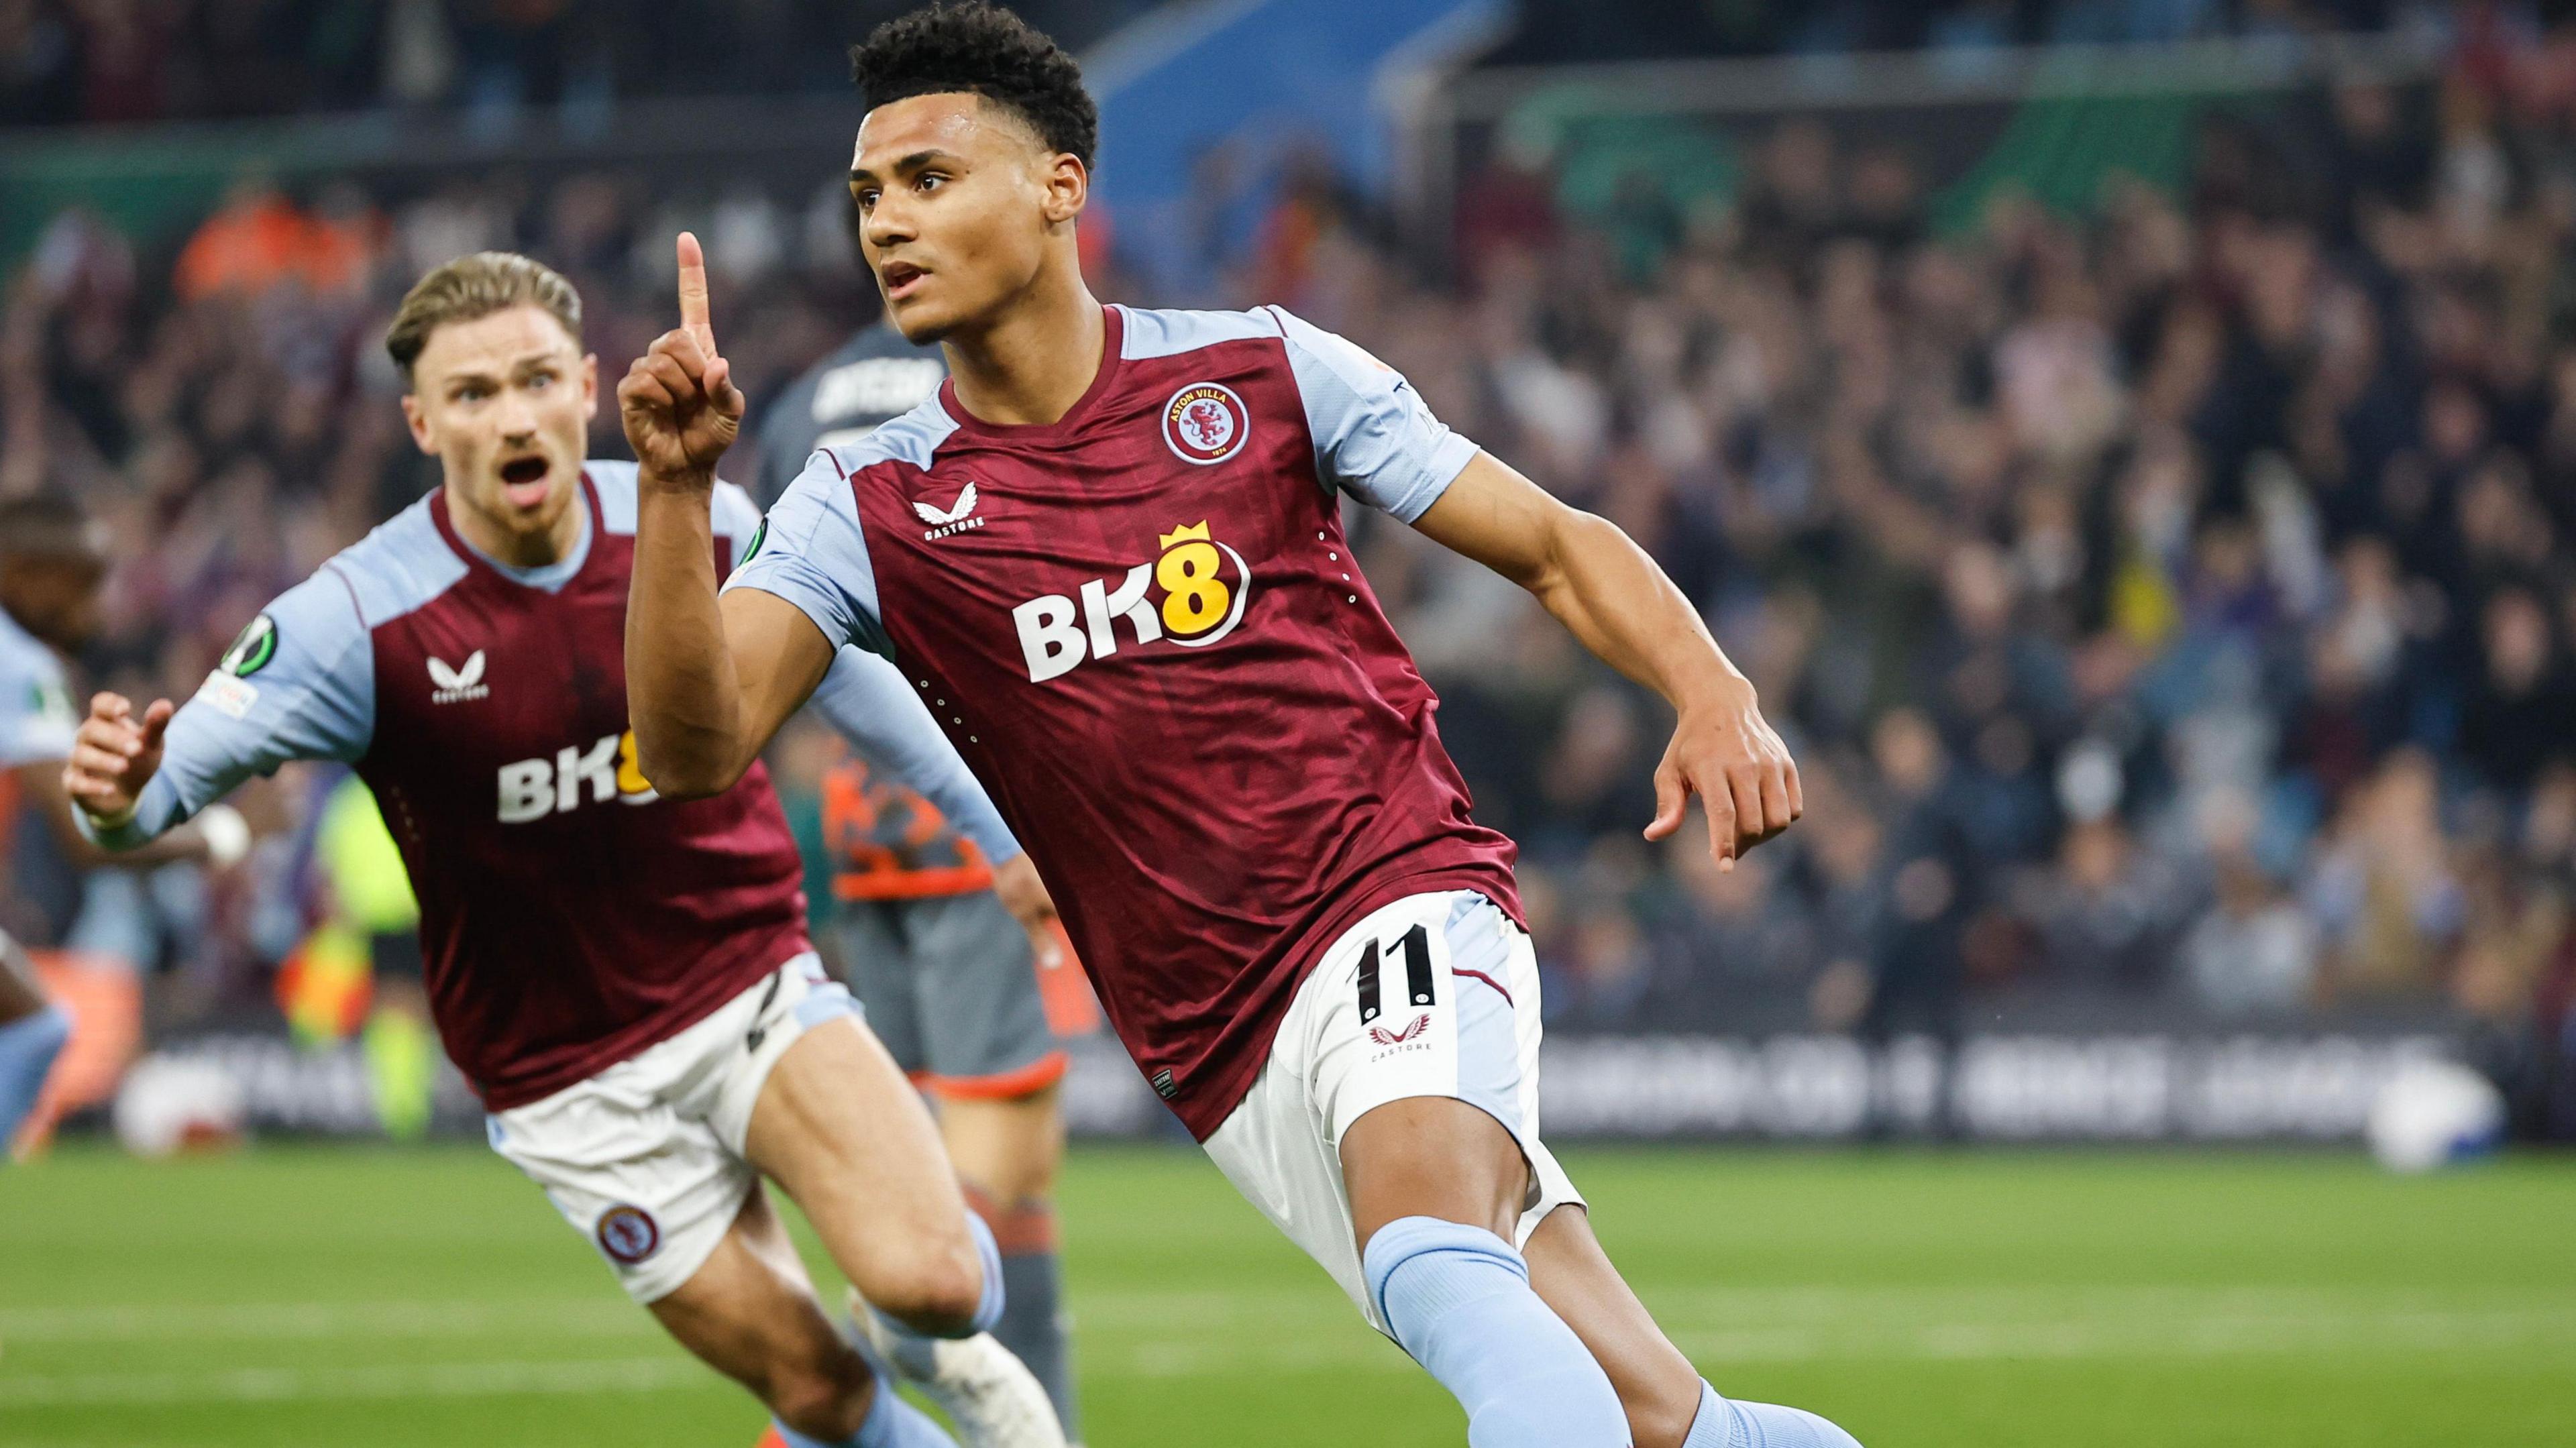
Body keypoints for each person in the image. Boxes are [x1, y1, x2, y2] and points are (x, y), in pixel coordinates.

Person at [616, 6, 1853, 1446]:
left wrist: (1713, 690)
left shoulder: (1261, 373)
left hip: (1392, 895)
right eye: (867, 197)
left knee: (1436, 1264)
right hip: (1216, 1039)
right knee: (1664, 1419)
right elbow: (694, 747)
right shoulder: (866, 500)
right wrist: (675, 496)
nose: (887, 222)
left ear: (1061, 186)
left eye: (931, 180)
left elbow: (1557, 544)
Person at [65, 252, 1064, 1448]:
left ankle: (915, 1335)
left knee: (944, 1286)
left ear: (585, 386)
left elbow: (846, 678)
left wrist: (1003, 835)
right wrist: (117, 799)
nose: (511, 412)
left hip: (745, 979)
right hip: (568, 1078)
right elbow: (148, 792)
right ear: (423, 420)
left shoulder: (691, 518)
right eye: (474, 393)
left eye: (535, 378)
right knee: (818, 1390)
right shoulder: (354, 618)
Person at [761, 299, 1083, 1441]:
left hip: (866, 822)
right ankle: (830, 1404)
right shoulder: (985, 380)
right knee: (998, 1165)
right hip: (991, 819)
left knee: (937, 1168)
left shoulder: (809, 399)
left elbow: (774, 600)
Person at [1, 496, 248, 1154]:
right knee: (36, 1028)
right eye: (80, 587)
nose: (97, 609)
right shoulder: (20, 662)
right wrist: (213, 839)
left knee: (36, 1024)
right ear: (23, 575)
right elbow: (87, 837)